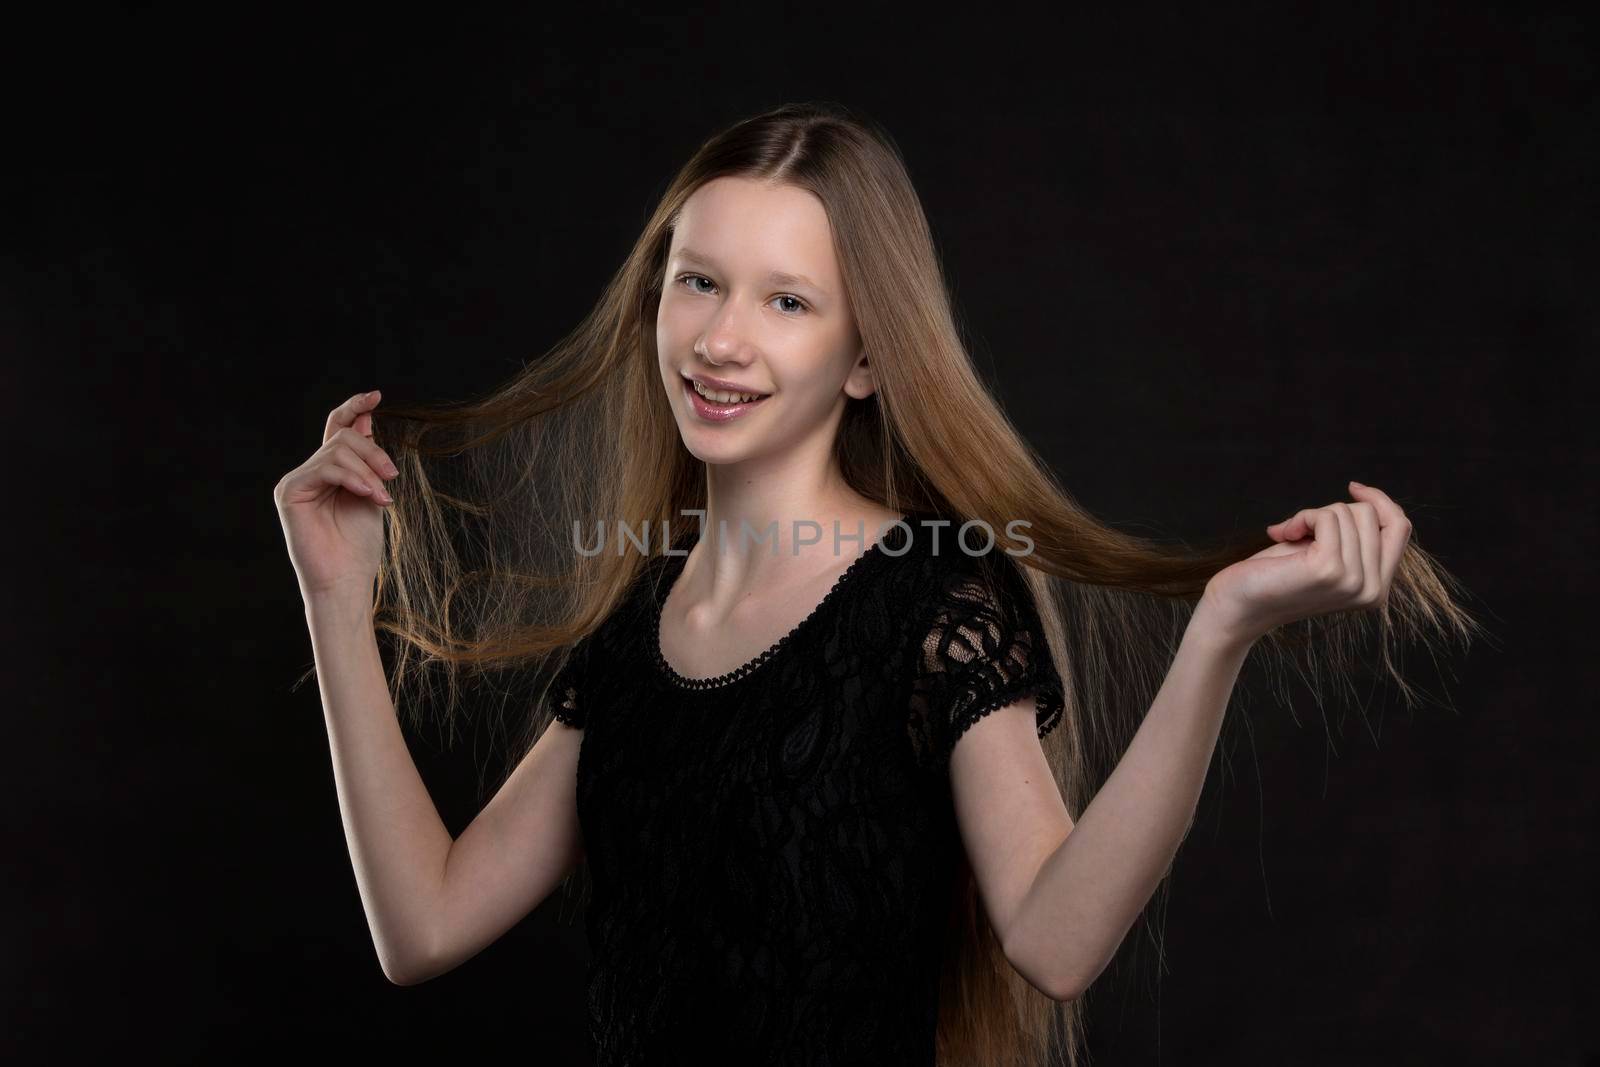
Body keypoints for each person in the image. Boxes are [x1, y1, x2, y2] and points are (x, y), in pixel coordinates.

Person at [273, 101, 1482, 1066]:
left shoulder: (932, 599)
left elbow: (1056, 941)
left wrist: (1218, 631)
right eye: (697, 281)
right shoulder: (643, 621)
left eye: (786, 301)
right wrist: (336, 600)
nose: (720, 339)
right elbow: (421, 928)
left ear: (862, 357)